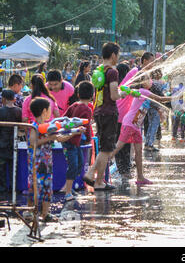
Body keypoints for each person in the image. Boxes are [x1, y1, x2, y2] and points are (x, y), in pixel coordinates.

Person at [24, 98, 81, 222]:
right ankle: (29, 211)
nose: (51, 112)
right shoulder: (34, 126)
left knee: (47, 189)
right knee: (34, 187)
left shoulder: (49, 127)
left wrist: (75, 132)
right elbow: (33, 143)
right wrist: (49, 138)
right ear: (44, 111)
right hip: (36, 164)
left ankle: (45, 213)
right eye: (49, 109)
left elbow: (60, 138)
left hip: (47, 164)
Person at [111, 75, 171, 185]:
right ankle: (102, 169)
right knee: (118, 147)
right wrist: (175, 97)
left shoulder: (141, 92)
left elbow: (154, 103)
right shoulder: (144, 91)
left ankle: (140, 177)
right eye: (148, 79)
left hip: (136, 125)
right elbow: (160, 99)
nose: (150, 80)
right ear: (143, 82)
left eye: (150, 78)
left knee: (138, 152)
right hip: (129, 123)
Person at [83, 42, 123, 191]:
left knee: (103, 148)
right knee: (106, 149)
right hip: (109, 112)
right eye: (118, 55)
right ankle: (91, 172)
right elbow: (113, 95)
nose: (118, 58)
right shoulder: (113, 72)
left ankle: (99, 182)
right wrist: (122, 94)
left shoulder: (99, 70)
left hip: (99, 111)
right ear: (113, 55)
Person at [116, 52, 157, 177]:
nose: (153, 64)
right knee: (122, 142)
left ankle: (127, 169)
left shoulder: (142, 73)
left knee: (126, 142)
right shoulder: (136, 72)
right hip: (123, 109)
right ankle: (123, 169)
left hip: (131, 112)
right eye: (151, 61)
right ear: (144, 61)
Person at [61, 81, 93, 202]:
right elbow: (86, 127)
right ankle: (68, 192)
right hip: (73, 141)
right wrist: (88, 139)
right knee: (75, 165)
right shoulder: (87, 109)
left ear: (78, 94)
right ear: (92, 95)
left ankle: (67, 187)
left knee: (78, 164)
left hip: (69, 139)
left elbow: (64, 118)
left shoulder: (74, 105)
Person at [0, 90, 22, 196]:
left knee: (2, 169)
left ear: (3, 99)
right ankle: (14, 189)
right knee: (13, 168)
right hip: (14, 143)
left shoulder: (1, 111)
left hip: (2, 144)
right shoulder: (18, 111)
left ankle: (3, 190)